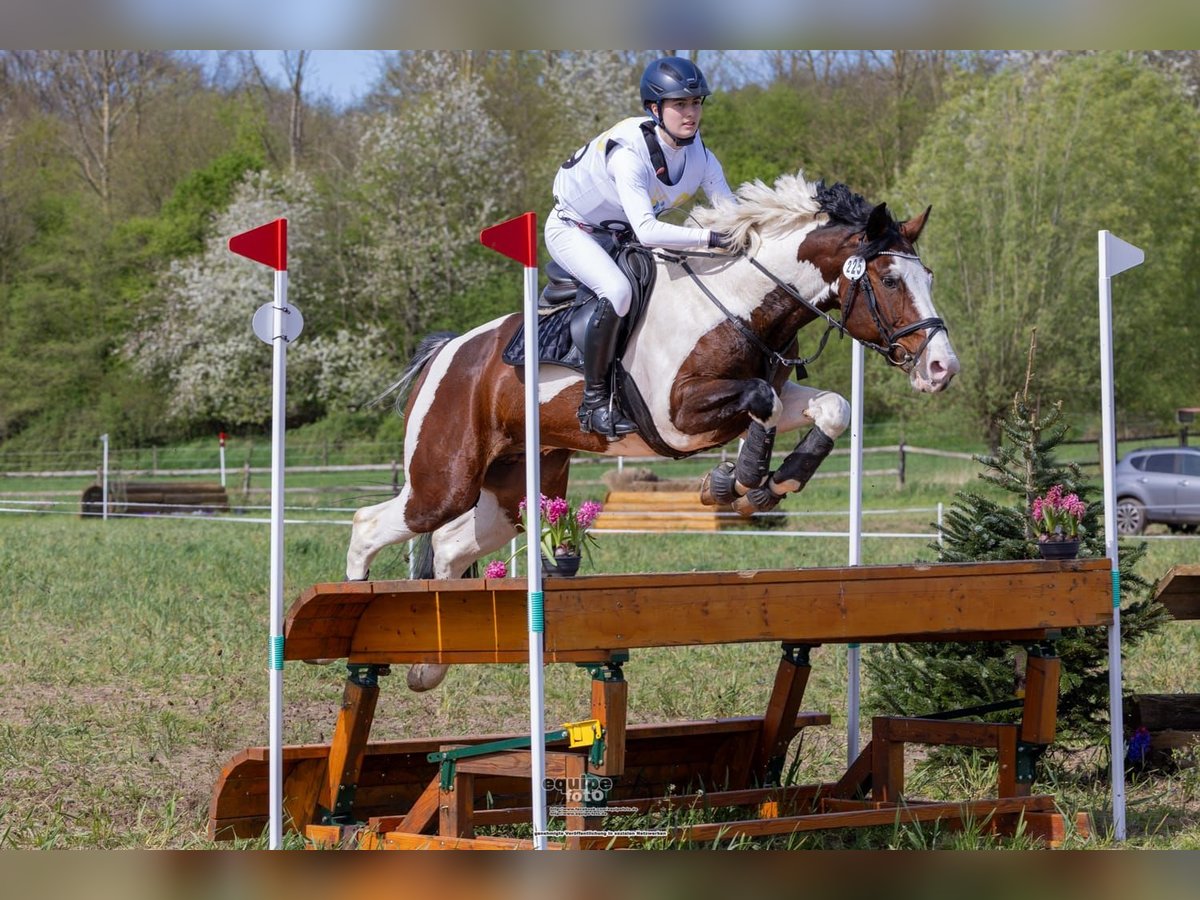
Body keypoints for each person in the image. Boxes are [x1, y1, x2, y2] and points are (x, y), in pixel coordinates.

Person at [546, 55, 736, 438]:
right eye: (680, 104)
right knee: (617, 292)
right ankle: (594, 402)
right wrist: (712, 238)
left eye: (696, 103)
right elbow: (649, 232)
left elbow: (731, 213)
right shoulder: (628, 156)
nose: (691, 113)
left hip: (622, 235)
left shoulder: (700, 154)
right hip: (575, 230)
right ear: (654, 108)